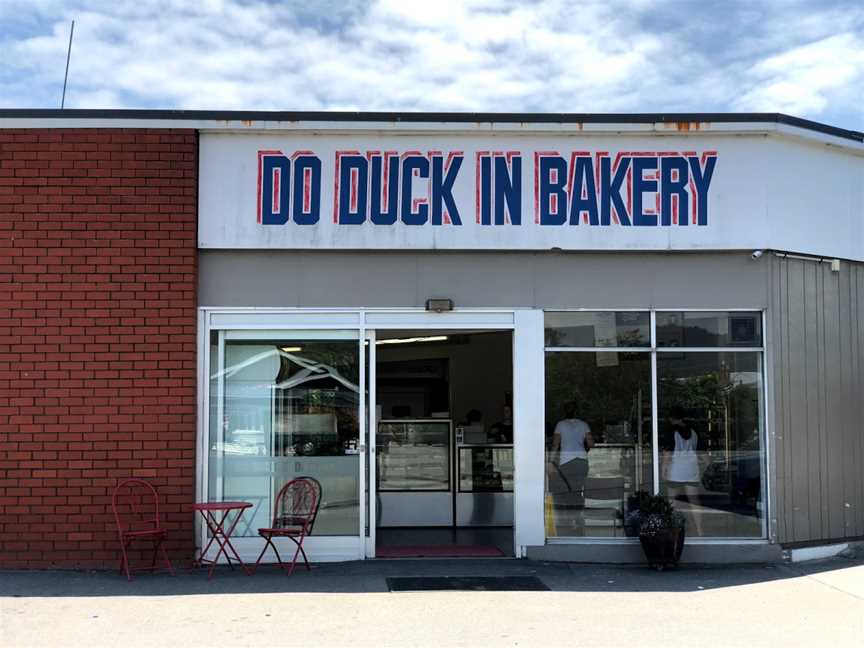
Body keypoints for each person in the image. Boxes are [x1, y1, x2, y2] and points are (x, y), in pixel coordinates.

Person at [548, 401, 594, 533]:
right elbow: (591, 443)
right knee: (577, 490)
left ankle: (567, 522)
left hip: (566, 461)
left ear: (565, 411)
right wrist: (583, 448)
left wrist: (551, 462)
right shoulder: (583, 424)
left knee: (566, 491)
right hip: (582, 461)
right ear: (576, 411)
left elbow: (556, 445)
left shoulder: (560, 425)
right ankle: (579, 520)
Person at [662, 406, 705, 535]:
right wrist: (706, 466)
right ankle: (700, 529)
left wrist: (663, 470)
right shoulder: (694, 432)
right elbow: (703, 454)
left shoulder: (671, 432)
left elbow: (667, 453)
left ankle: (672, 530)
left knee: (672, 501)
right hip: (691, 469)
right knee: (694, 501)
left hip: (675, 470)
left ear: (671, 418)